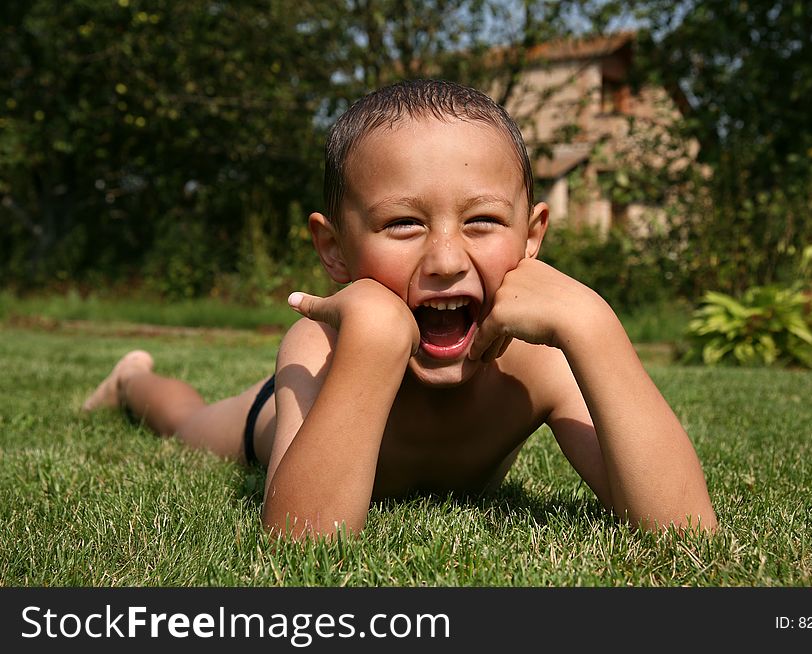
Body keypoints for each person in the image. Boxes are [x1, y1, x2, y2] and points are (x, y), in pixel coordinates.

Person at [83, 79, 717, 540]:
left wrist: (594, 324)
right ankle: (131, 381)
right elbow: (302, 544)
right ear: (334, 248)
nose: (445, 258)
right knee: (186, 418)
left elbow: (683, 530)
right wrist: (368, 348)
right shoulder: (320, 352)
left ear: (532, 235)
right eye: (404, 223)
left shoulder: (540, 366)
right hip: (286, 414)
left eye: (484, 221)